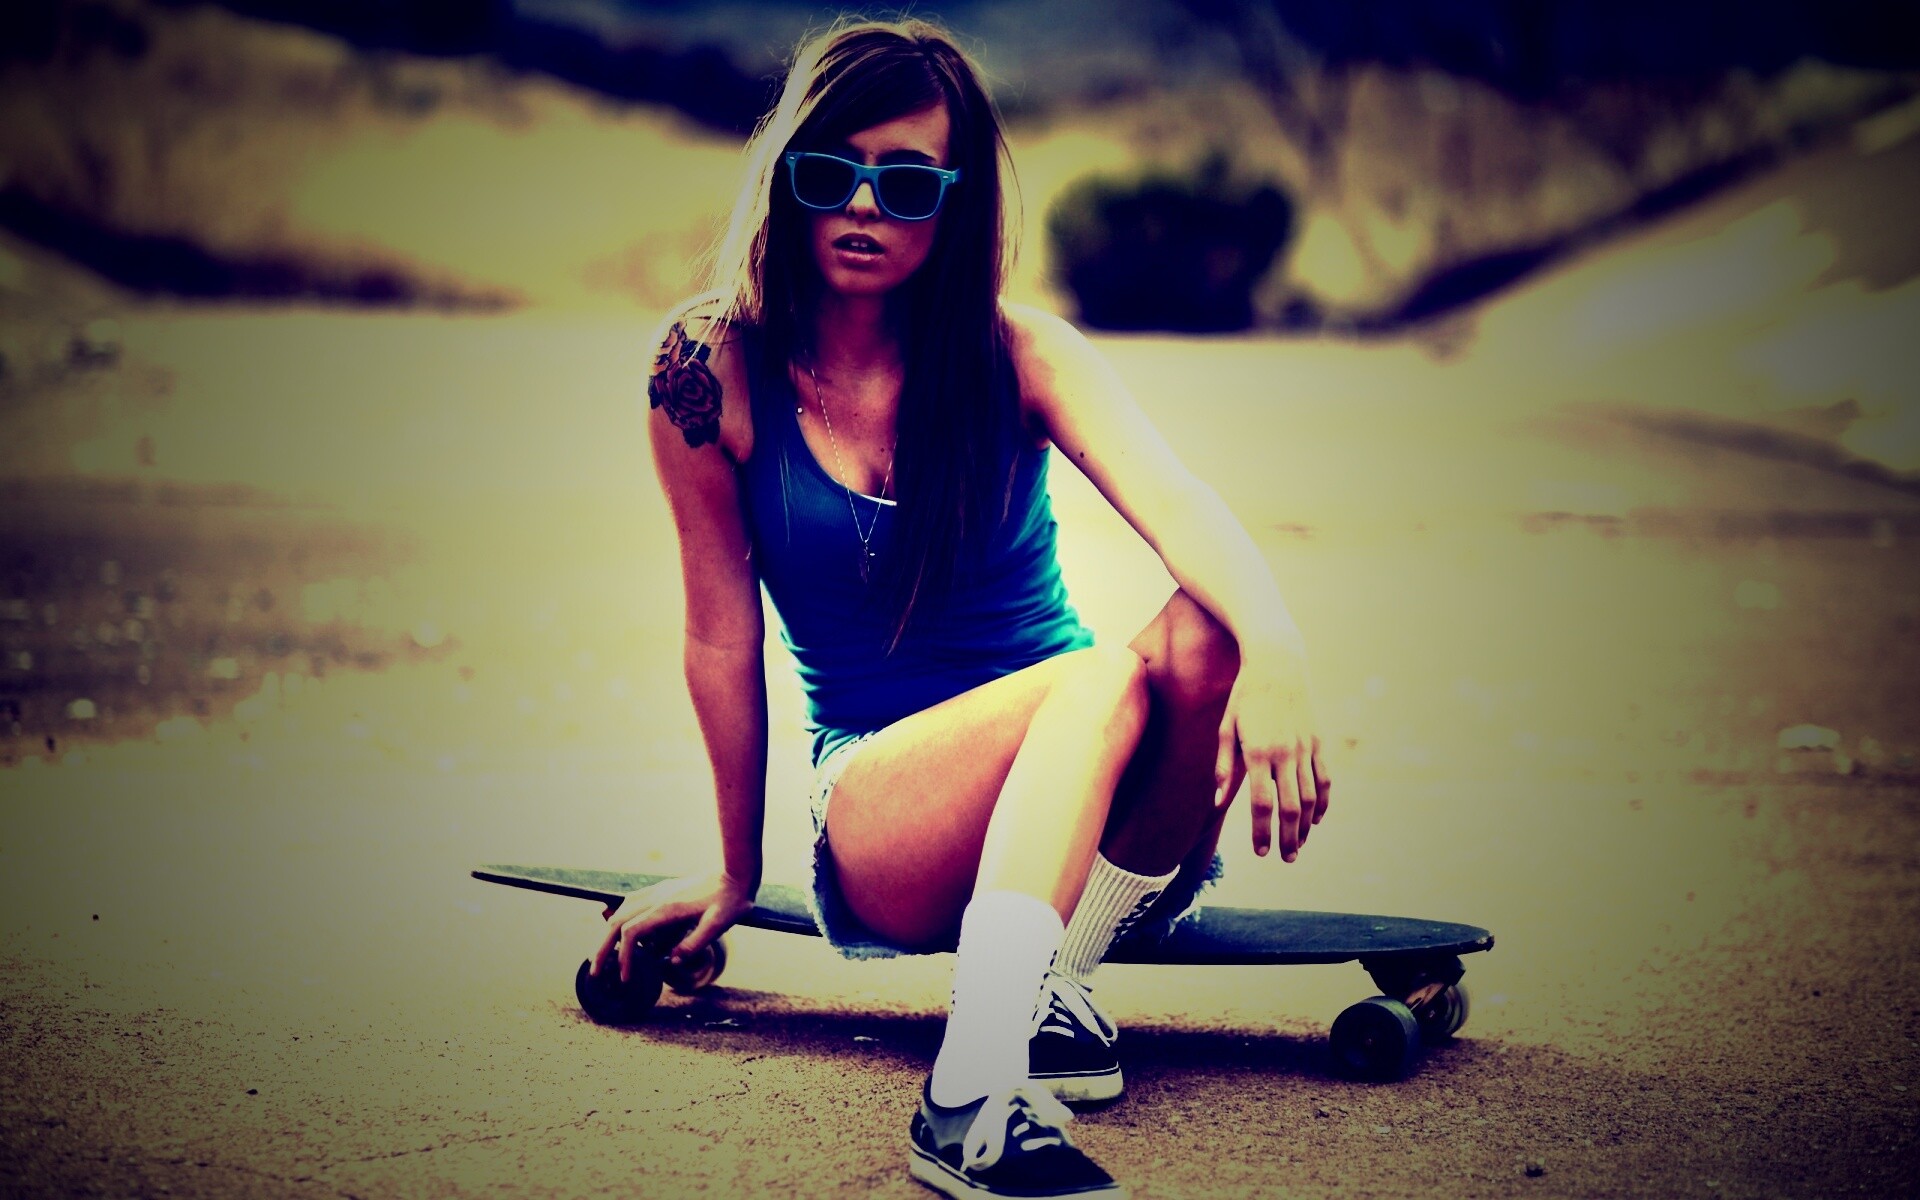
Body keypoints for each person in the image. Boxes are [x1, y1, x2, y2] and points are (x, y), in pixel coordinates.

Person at [589, 18, 1330, 1200]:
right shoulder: (706, 369)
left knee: (1207, 628)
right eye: (829, 173)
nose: (862, 207)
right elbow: (720, 635)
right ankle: (975, 1093)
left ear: (957, 199)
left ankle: (1047, 983)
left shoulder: (1019, 356)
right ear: (783, 179)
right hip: (885, 816)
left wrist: (1274, 647)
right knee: (1102, 678)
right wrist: (733, 874)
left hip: (1108, 824)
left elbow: (1178, 502)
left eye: (906, 183)